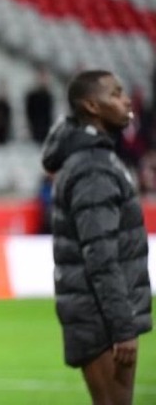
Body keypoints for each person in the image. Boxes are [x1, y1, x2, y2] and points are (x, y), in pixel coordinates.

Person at [41, 70, 152, 405]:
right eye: (115, 94)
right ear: (91, 106)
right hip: (100, 318)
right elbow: (101, 256)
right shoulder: (92, 167)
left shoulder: (98, 159)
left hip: (100, 313)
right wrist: (122, 327)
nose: (127, 100)